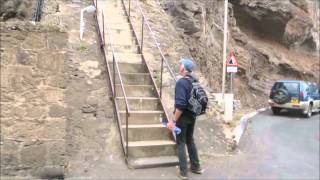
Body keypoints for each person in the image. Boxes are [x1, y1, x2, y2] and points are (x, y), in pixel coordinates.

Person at [167, 58, 203, 180]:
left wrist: (173, 121)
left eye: (180, 64)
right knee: (190, 140)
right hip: (192, 116)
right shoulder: (194, 81)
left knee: (181, 142)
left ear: (184, 68)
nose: (179, 65)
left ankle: (183, 172)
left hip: (182, 118)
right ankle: (196, 166)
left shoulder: (182, 82)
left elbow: (180, 105)